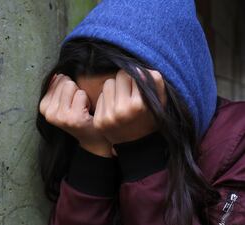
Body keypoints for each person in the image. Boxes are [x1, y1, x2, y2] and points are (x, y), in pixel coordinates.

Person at [35, 1, 245, 225]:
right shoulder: (94, 144)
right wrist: (92, 156)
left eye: (132, 111)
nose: (110, 122)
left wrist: (142, 153)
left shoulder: (238, 143)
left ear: (177, 96)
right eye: (95, 113)